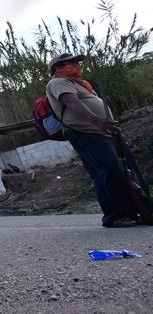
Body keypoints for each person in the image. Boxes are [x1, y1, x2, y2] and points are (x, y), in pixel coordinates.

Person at [46, 53, 141, 228]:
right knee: (107, 170)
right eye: (71, 62)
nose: (76, 65)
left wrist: (113, 131)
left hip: (104, 133)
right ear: (58, 67)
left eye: (77, 62)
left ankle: (135, 211)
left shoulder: (82, 84)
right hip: (85, 133)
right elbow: (72, 102)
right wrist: (98, 121)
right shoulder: (58, 82)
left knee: (125, 169)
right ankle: (115, 215)